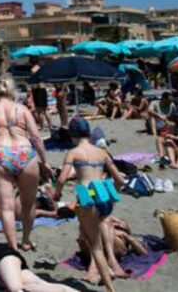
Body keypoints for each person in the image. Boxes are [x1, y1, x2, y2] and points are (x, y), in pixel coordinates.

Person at [54, 117, 128, 292]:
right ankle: (110, 270)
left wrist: (57, 193)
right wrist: (113, 193)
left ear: (73, 134)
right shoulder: (101, 152)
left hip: (87, 196)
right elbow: (119, 179)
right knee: (102, 232)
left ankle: (110, 289)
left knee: (95, 247)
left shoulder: (73, 152)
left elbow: (62, 178)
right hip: (104, 195)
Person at [0, 77, 52, 252]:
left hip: (0, 153)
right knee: (29, 204)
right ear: (13, 92)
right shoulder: (22, 109)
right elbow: (36, 137)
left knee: (6, 207)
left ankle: (12, 248)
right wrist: (44, 161)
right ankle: (26, 240)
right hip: (24, 152)